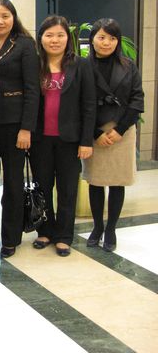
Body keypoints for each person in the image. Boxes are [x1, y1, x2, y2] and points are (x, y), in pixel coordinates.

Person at [30, 15, 96, 257]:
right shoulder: (35, 65)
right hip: (40, 139)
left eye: (60, 35)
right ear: (41, 38)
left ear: (68, 39)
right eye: (49, 35)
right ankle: (45, 231)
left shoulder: (81, 65)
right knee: (43, 186)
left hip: (69, 139)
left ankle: (64, 236)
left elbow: (89, 105)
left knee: (67, 189)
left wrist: (86, 140)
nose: (54, 40)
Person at [0, 0, 39, 258]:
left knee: (14, 184)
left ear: (13, 18)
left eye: (5, 15)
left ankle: (11, 237)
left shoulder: (25, 45)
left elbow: (32, 89)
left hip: (15, 126)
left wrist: (26, 128)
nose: (0, 21)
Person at [82, 18, 144, 252]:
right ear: (93, 39)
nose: (106, 42)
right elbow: (80, 102)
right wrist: (96, 133)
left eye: (111, 38)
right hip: (94, 131)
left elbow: (137, 100)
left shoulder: (129, 65)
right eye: (101, 37)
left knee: (118, 181)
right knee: (96, 181)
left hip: (122, 130)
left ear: (117, 41)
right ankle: (97, 226)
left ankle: (111, 229)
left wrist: (118, 130)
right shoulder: (82, 65)